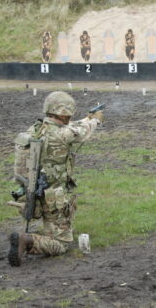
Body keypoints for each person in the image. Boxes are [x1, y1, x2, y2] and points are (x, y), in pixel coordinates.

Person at [7, 91, 103, 266]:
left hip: (35, 188)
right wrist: (95, 120)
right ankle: (28, 240)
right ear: (64, 113)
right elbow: (81, 132)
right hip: (53, 195)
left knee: (54, 227)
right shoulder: (62, 134)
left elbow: (70, 127)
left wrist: (86, 118)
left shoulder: (36, 129)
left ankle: (31, 237)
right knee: (61, 245)